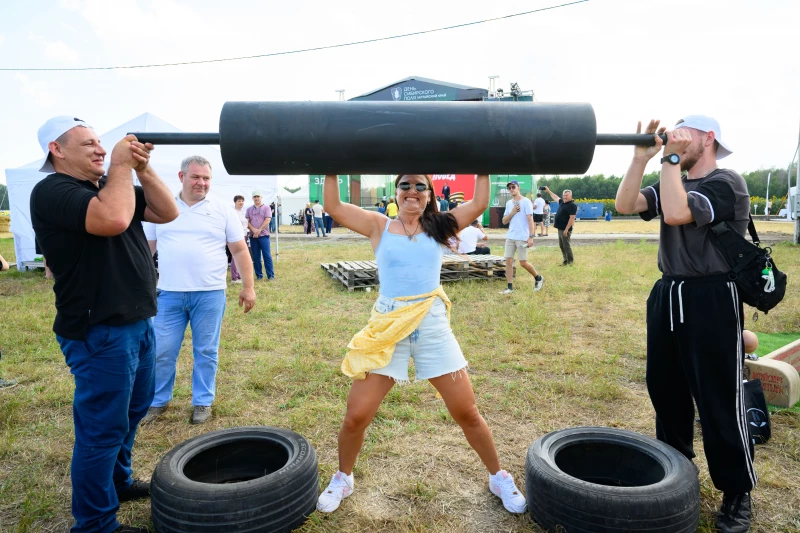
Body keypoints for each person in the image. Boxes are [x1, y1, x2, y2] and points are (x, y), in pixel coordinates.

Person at [316, 173, 527, 515]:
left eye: (419, 186)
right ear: (395, 192)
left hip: (431, 324)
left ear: (429, 195)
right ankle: (344, 477)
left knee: (467, 413)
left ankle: (498, 476)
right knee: (356, 416)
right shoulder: (377, 225)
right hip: (388, 325)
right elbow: (333, 206)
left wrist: (483, 167)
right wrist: (331, 169)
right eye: (405, 185)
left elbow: (479, 204)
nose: (412, 191)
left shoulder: (441, 226)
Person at [30, 116, 179, 533]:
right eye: (88, 144)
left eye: (102, 143)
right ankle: (94, 524)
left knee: (130, 413)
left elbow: (167, 212)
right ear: (57, 151)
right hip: (100, 330)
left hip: (136, 323)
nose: (100, 149)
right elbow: (112, 220)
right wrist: (119, 165)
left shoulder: (109, 189)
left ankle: (118, 481)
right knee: (102, 428)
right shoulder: (54, 190)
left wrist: (143, 168)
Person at [615, 116, 755, 533]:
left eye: (684, 133)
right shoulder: (672, 176)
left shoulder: (726, 182)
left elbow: (676, 214)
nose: (674, 140)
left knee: (717, 398)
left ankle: (736, 492)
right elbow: (626, 205)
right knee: (666, 389)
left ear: (707, 139)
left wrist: (670, 158)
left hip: (712, 294)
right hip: (668, 292)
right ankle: (677, 478)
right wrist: (642, 159)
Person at [142, 155, 256, 426]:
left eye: (206, 178)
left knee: (206, 350)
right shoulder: (161, 206)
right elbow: (147, 250)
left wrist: (249, 287)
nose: (201, 183)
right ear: (182, 177)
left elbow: (239, 249)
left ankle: (202, 402)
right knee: (163, 350)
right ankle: (158, 402)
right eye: (195, 177)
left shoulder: (222, 209)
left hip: (209, 293)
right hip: (168, 293)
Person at [500, 180, 543, 294]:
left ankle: (538, 278)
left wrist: (531, 237)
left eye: (513, 187)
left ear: (518, 188)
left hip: (522, 236)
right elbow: (504, 221)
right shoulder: (509, 204)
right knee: (508, 261)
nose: (511, 189)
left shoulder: (526, 202)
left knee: (523, 263)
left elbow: (530, 219)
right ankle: (509, 287)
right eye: (509, 188)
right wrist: (512, 212)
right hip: (511, 236)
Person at [545, 186, 577, 265]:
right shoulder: (563, 202)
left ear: (571, 196)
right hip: (560, 228)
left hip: (565, 229)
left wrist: (566, 230)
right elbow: (555, 197)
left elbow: (572, 218)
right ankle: (565, 260)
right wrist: (549, 191)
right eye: (564, 195)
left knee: (566, 246)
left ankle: (570, 262)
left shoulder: (572, 205)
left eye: (567, 195)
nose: (565, 197)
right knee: (561, 245)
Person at [246, 191, 274, 280]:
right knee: (256, 257)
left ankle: (270, 275)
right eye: (254, 196)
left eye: (258, 196)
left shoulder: (266, 207)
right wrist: (254, 230)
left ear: (261, 197)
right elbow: (247, 221)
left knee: (267, 256)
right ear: (252, 198)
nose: (256, 198)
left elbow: (267, 220)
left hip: (264, 235)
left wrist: (259, 230)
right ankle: (259, 275)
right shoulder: (249, 209)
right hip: (253, 236)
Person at [230, 195, 249, 284]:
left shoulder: (242, 212)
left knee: (241, 256)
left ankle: (239, 275)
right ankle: (234, 277)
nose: (241, 202)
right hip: (237, 237)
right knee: (236, 256)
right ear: (235, 202)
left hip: (244, 235)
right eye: (239, 201)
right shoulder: (233, 212)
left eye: (242, 201)